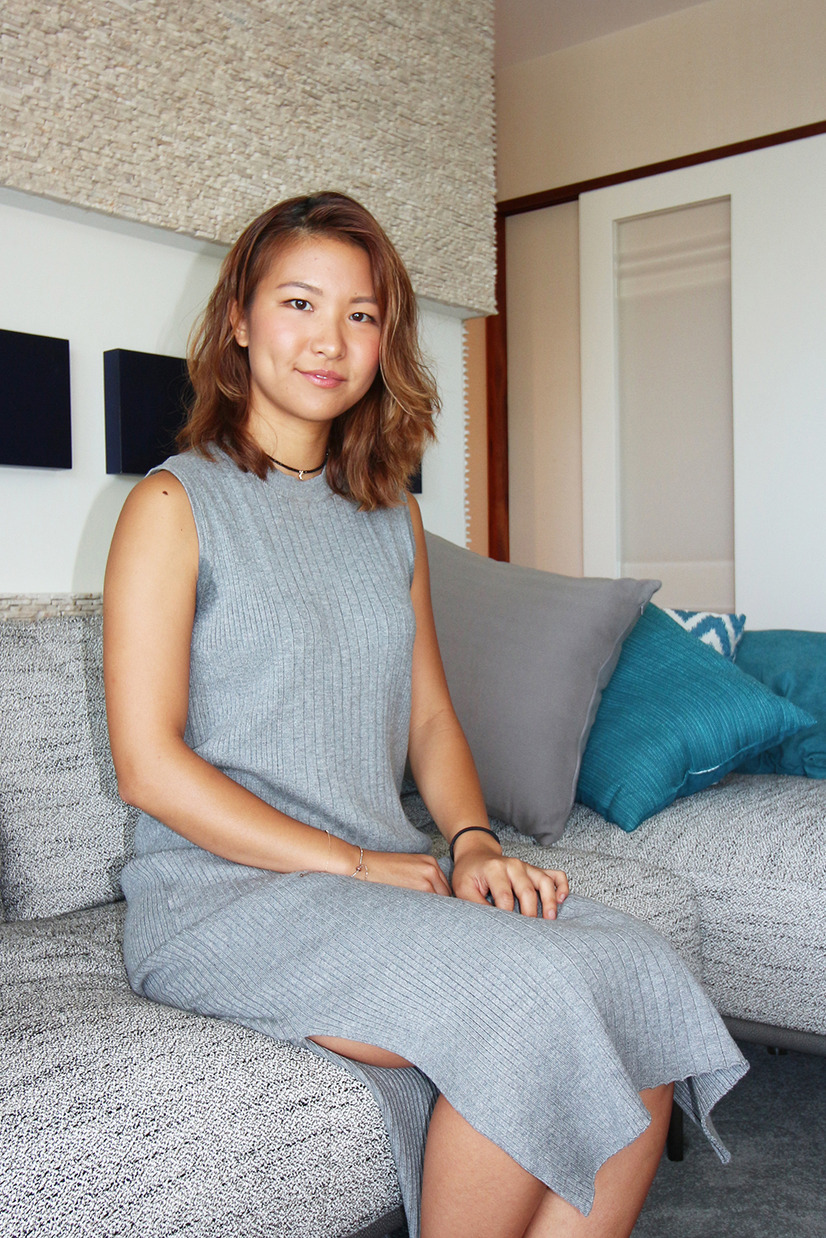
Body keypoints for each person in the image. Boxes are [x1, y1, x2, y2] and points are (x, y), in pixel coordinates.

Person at [104, 191, 747, 1238]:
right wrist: (356, 864)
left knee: (632, 976)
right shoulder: (172, 505)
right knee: (523, 1003)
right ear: (239, 320)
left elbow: (432, 719)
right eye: (299, 302)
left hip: (381, 874)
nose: (329, 338)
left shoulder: (387, 512)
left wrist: (474, 839)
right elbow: (147, 764)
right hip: (223, 896)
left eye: (360, 314)